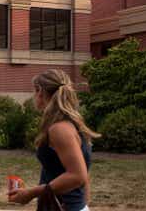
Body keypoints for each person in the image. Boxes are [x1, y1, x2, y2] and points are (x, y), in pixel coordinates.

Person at [8, 69, 100, 211]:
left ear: (40, 92)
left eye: (34, 91)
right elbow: (83, 174)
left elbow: (77, 175)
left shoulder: (60, 129)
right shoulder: (71, 123)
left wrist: (31, 193)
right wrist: (83, 203)